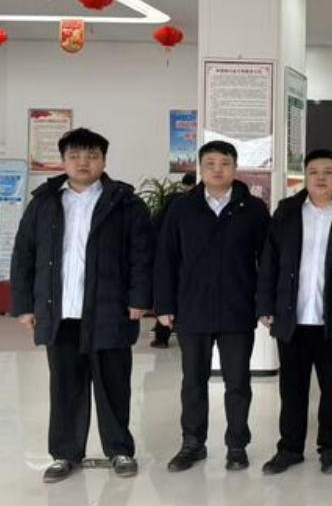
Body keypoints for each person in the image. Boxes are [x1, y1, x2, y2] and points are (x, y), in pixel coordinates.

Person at [10, 128, 152, 483]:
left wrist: (139, 299)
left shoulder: (125, 203)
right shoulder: (44, 202)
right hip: (61, 313)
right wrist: (25, 305)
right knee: (65, 387)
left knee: (113, 385)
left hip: (109, 311)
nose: (83, 162)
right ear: (63, 161)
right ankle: (65, 454)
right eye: (74, 156)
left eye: (91, 156)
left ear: (104, 160)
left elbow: (142, 255)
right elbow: (23, 255)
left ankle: (119, 450)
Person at [154, 141, 270, 473]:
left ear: (235, 167)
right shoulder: (181, 207)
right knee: (193, 381)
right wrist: (164, 305)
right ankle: (192, 443)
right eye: (210, 163)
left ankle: (237, 445)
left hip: (237, 309)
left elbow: (268, 260)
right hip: (192, 309)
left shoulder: (253, 208)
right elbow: (165, 257)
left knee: (238, 382)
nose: (217, 169)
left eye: (224, 163)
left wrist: (264, 304)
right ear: (200, 168)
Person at [256, 149, 332, 475]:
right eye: (314, 172)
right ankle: (290, 448)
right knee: (291, 390)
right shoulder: (287, 210)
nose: (321, 178)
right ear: (305, 176)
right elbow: (269, 261)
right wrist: (265, 304)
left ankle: (329, 448)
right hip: (292, 317)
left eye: (328, 171)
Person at [150, 171, 196, 348]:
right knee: (171, 294)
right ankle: (162, 334)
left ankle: (162, 337)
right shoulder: (178, 201)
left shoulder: (175, 199)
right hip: (177, 254)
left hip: (174, 254)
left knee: (171, 295)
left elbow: (155, 223)